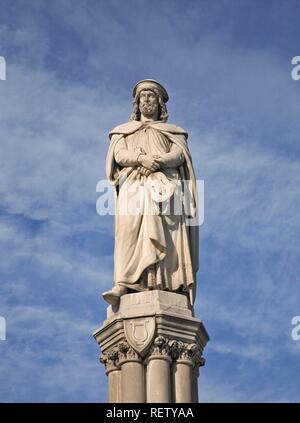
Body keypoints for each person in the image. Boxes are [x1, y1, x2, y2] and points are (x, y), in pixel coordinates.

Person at [103, 79, 199, 306]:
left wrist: (159, 161)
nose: (147, 100)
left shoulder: (173, 132)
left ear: (159, 103)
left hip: (165, 187)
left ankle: (169, 284)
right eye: (143, 96)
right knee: (128, 232)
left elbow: (178, 155)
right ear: (137, 103)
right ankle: (123, 284)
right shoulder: (123, 132)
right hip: (133, 186)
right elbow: (119, 155)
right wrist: (140, 159)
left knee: (168, 236)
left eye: (151, 96)